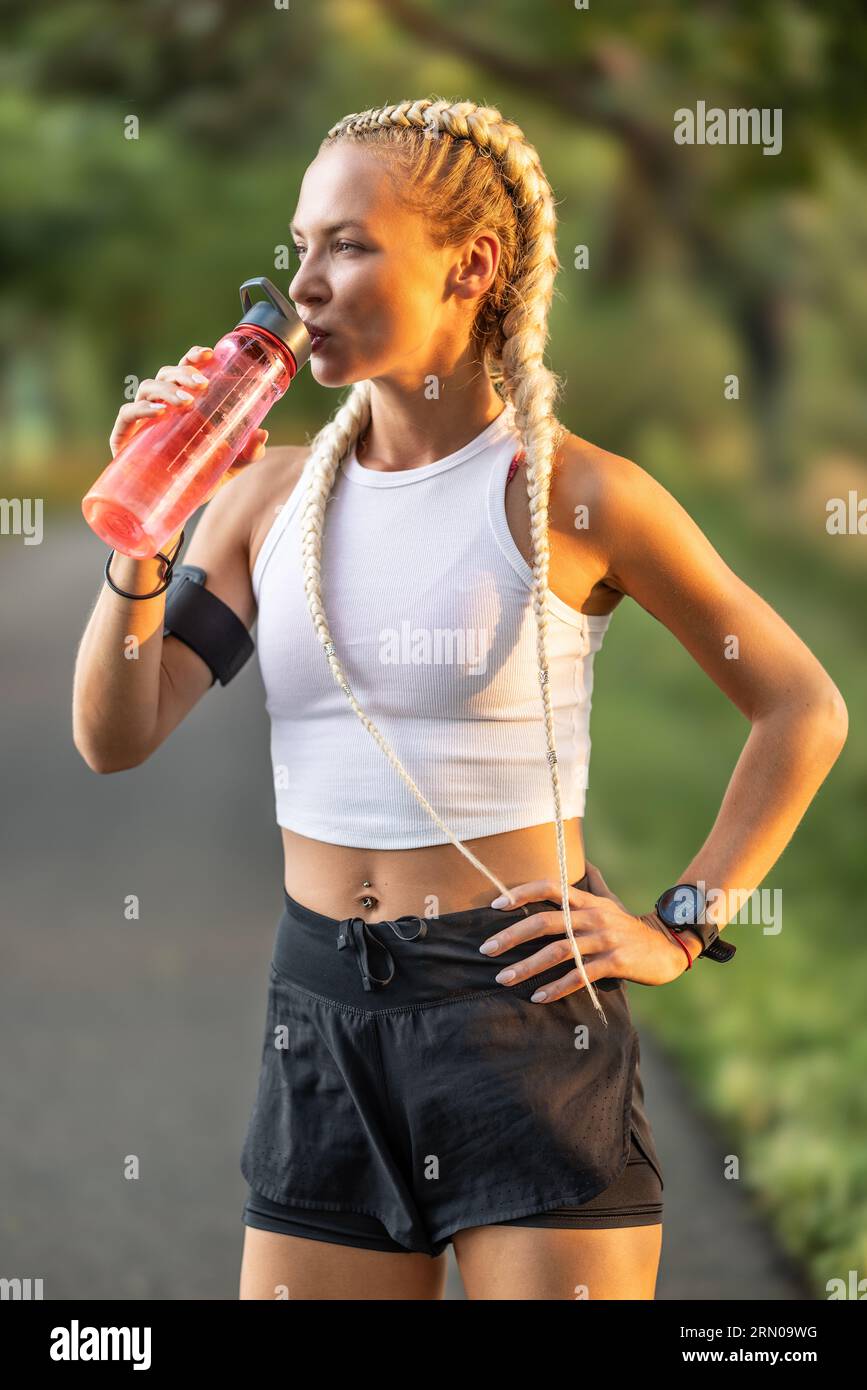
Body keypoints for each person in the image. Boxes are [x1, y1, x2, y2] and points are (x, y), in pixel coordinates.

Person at [73, 98, 848, 1302]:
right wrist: (142, 536)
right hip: (321, 1018)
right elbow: (114, 736)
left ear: (472, 265)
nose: (304, 284)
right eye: (301, 248)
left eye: (348, 244)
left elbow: (801, 705)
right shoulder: (263, 500)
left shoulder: (574, 494)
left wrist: (682, 925)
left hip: (522, 1022)